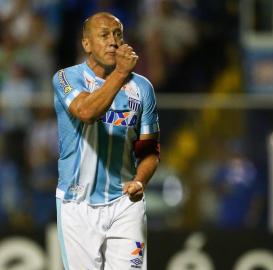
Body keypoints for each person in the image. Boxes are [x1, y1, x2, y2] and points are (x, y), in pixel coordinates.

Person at [52, 12, 160, 270]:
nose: (113, 41)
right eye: (104, 35)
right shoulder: (66, 78)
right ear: (86, 44)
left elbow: (149, 151)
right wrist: (121, 74)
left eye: (118, 34)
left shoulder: (142, 88)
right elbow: (87, 112)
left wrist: (140, 181)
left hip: (125, 204)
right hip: (77, 205)